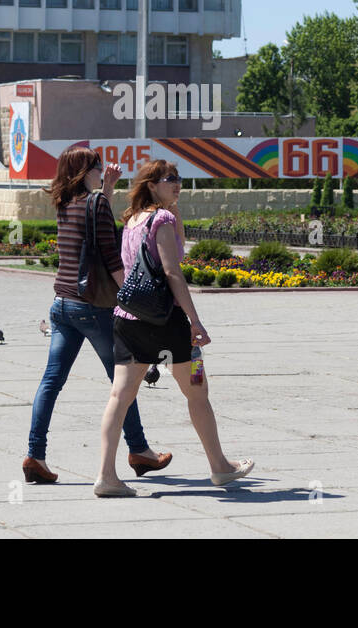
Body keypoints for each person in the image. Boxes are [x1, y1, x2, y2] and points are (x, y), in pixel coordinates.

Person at [93, 159, 253, 497]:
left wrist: (174, 208)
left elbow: (168, 251)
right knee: (197, 391)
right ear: (151, 184)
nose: (177, 183)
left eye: (179, 178)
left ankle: (106, 476)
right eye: (170, 179)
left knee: (119, 396)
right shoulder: (160, 218)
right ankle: (220, 467)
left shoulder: (133, 219)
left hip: (128, 320)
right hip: (168, 323)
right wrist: (195, 321)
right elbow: (172, 271)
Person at [24, 147, 171, 485]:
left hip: (62, 305)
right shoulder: (96, 203)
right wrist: (136, 298)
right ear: (84, 171)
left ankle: (35, 455)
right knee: (124, 382)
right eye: (97, 167)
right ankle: (139, 450)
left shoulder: (63, 203)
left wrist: (106, 189)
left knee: (51, 382)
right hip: (94, 308)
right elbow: (111, 256)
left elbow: (93, 224)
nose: (101, 170)